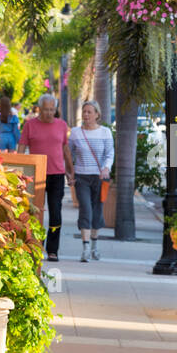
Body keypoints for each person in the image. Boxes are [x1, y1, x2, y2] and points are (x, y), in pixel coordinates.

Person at [19, 92, 73, 261]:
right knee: (35, 214)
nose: (49, 113)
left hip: (57, 175)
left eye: (52, 110)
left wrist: (71, 171)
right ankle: (35, 246)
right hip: (36, 175)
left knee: (56, 214)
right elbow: (21, 148)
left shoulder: (62, 125)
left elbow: (65, 150)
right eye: (46, 110)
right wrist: (19, 172)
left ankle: (52, 250)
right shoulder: (30, 125)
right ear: (39, 109)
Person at [68, 99, 114, 262]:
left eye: (89, 112)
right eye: (84, 112)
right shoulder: (75, 133)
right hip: (82, 177)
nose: (86, 115)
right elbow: (70, 154)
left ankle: (95, 246)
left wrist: (106, 167)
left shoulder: (105, 133)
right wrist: (70, 173)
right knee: (85, 210)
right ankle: (85, 249)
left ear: (97, 114)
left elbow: (109, 153)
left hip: (100, 178)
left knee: (97, 212)